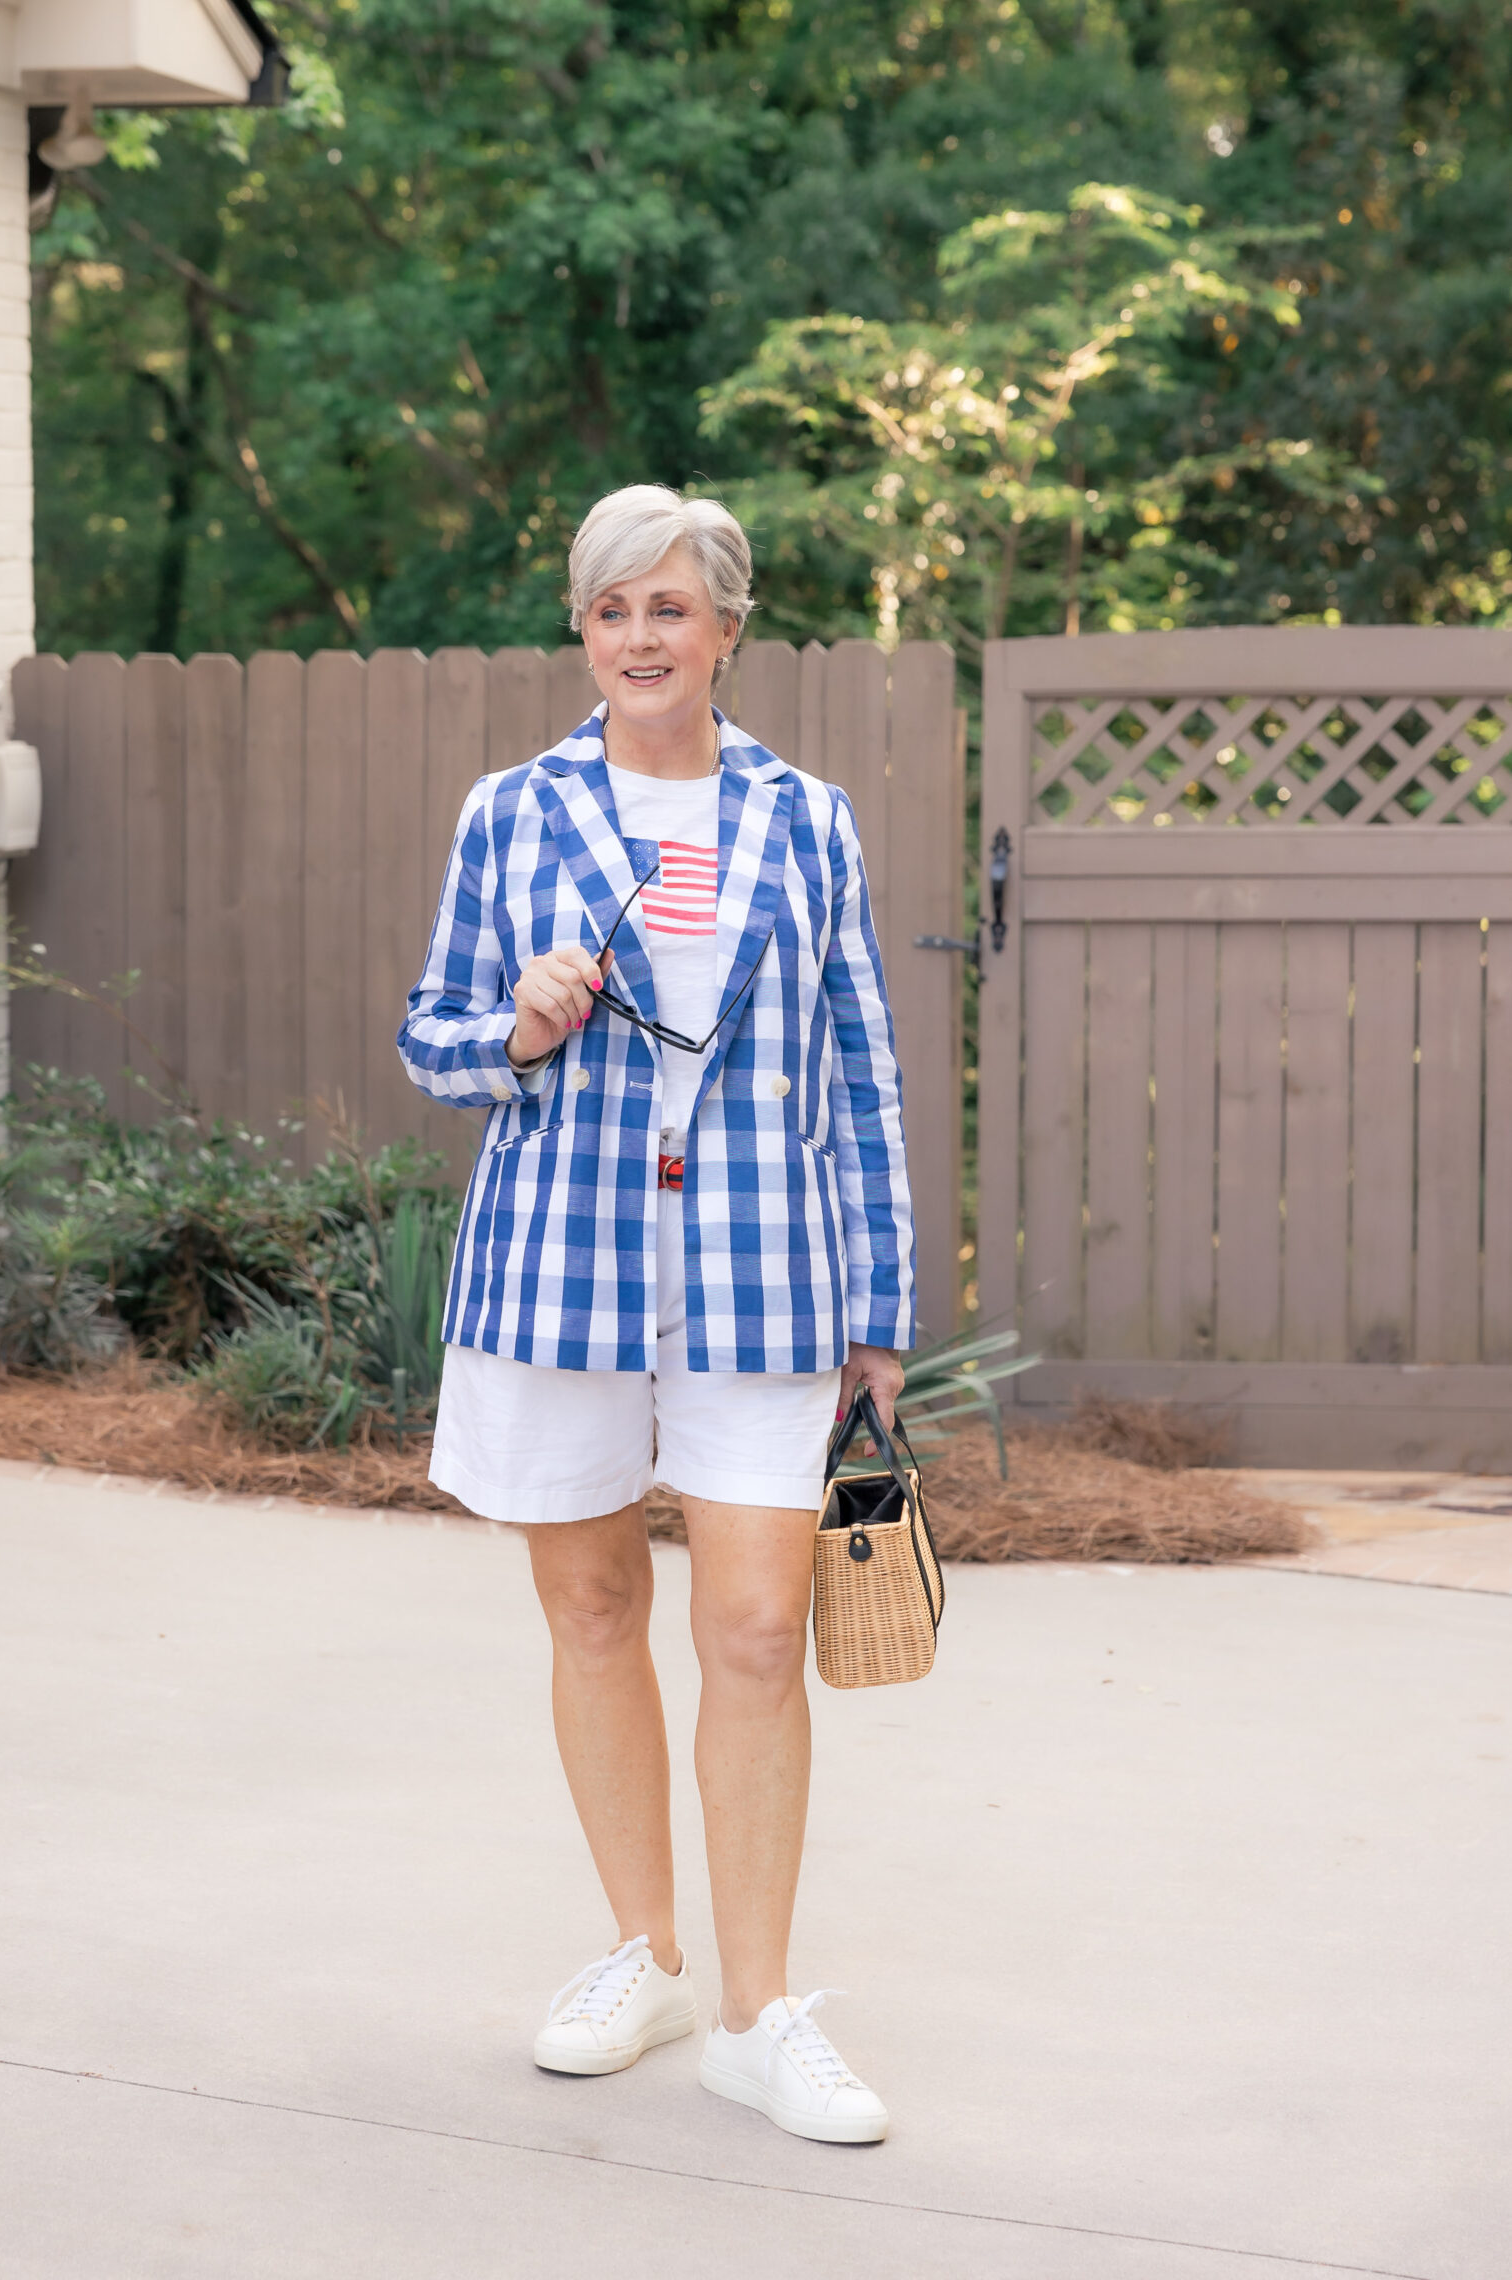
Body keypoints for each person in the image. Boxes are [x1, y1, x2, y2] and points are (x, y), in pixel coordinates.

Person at [398, 484, 914, 2145]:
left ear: (728, 631)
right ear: (582, 628)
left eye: (671, 609)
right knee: (597, 1615)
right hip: (562, 1269)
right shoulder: (514, 810)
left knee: (760, 1631)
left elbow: (866, 1071)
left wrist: (884, 1305)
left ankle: (761, 2018)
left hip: (767, 1270)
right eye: (613, 608)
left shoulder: (807, 820)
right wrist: (522, 1030)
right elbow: (432, 1038)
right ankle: (647, 1955)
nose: (640, 638)